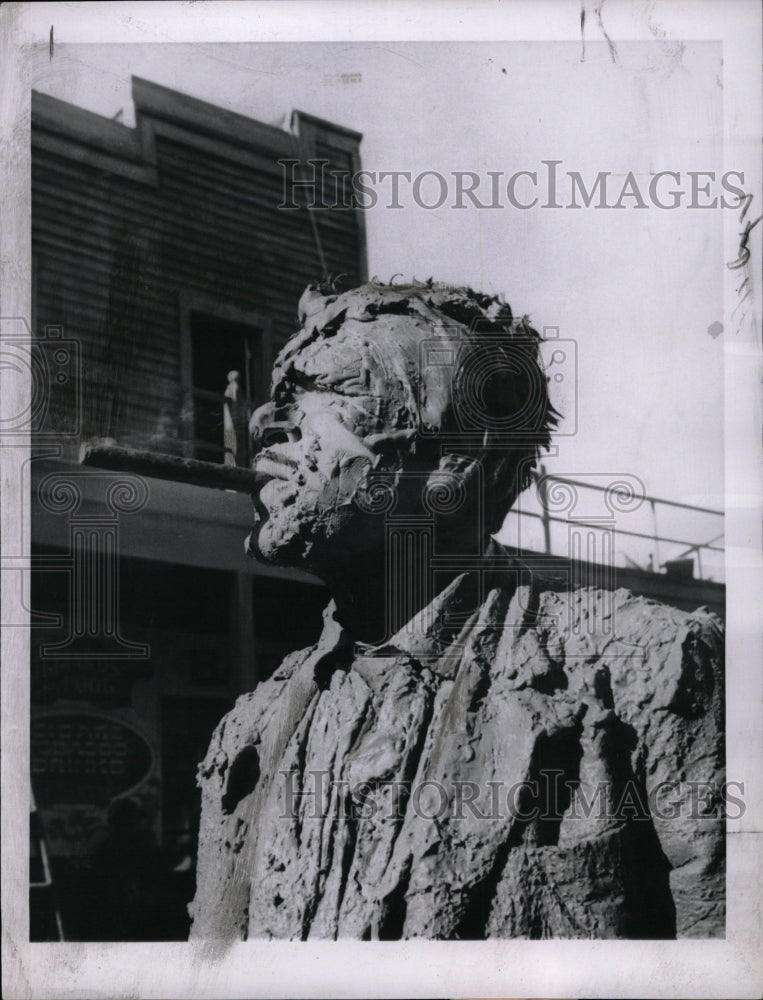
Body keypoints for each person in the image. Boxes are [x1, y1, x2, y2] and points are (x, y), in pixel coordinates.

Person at [190, 280, 724, 940]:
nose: (266, 426)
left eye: (330, 393)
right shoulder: (247, 730)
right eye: (280, 402)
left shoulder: (646, 673)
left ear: (452, 465)